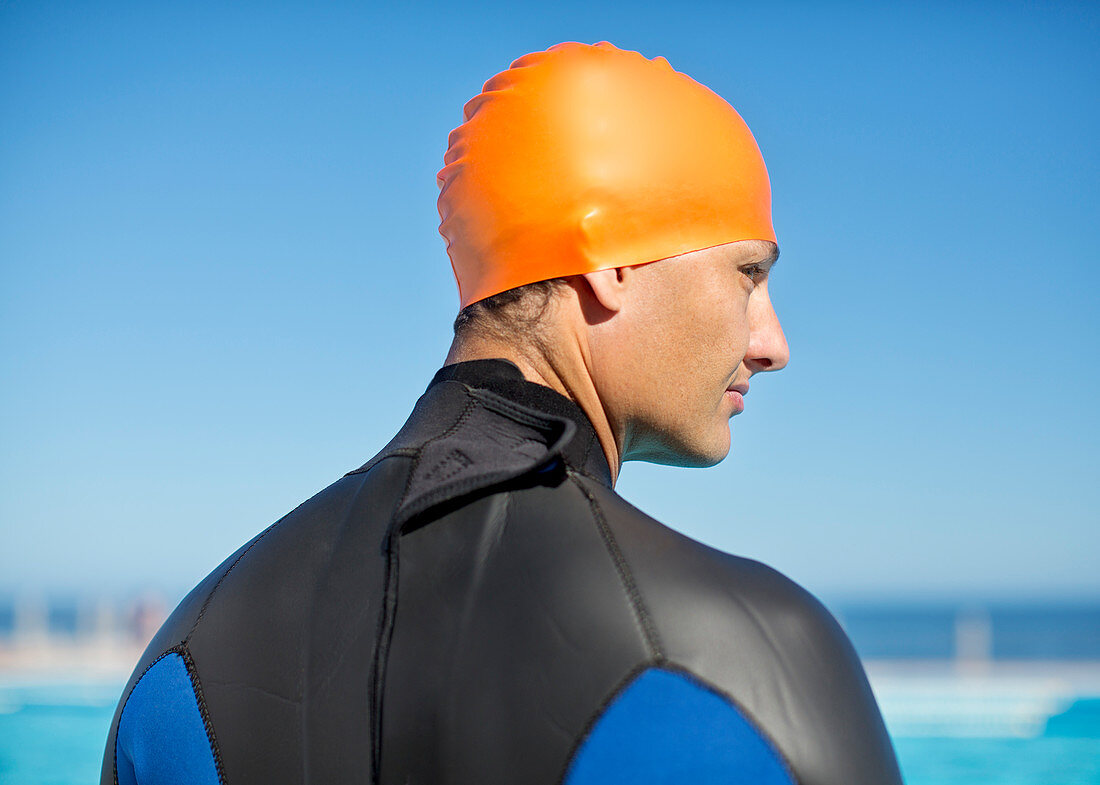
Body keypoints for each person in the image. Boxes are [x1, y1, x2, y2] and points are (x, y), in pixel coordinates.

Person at [101, 41, 903, 785]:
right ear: (611, 260)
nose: (772, 342)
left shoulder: (180, 663)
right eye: (748, 274)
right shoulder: (746, 651)